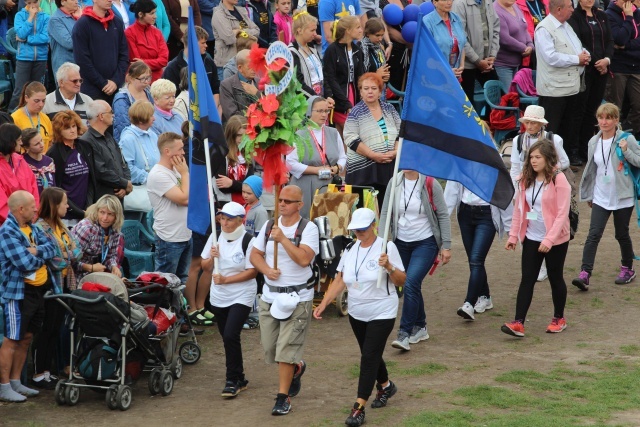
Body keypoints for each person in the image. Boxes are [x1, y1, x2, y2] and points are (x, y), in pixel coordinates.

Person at [314, 208, 405, 427]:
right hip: (357, 311)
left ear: (374, 225)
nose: (359, 233)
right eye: (356, 230)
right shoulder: (350, 248)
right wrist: (324, 303)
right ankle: (385, 385)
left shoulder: (387, 247)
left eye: (363, 229)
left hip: (382, 310)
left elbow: (401, 281)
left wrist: (390, 267)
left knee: (368, 358)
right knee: (370, 353)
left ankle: (358, 407)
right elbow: (340, 280)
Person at [249, 185, 319, 416]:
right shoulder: (269, 225)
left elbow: (303, 259)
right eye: (281, 200)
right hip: (270, 295)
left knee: (286, 350)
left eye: (288, 201)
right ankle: (296, 367)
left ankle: (283, 396)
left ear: (300, 205)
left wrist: (284, 240)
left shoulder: (308, 229)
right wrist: (267, 270)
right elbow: (255, 255)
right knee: (271, 349)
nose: (282, 204)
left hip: (298, 297)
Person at [502, 139, 571, 337]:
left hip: (556, 239)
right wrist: (513, 235)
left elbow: (562, 214)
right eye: (531, 157)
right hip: (531, 236)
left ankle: (559, 318)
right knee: (527, 278)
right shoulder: (525, 179)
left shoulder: (559, 180)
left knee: (555, 277)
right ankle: (518, 322)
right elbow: (519, 209)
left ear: (548, 158)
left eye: (538, 157)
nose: (533, 161)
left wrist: (549, 240)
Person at [379, 170, 451, 350]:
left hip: (426, 243)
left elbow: (443, 214)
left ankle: (404, 333)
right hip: (401, 243)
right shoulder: (394, 182)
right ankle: (420, 326)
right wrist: (381, 243)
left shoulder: (430, 183)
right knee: (411, 284)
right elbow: (386, 212)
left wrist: (446, 245)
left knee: (410, 283)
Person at [572, 103, 640, 290]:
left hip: (623, 196)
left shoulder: (627, 138)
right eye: (601, 118)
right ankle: (585, 274)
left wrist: (626, 151)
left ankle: (627, 267)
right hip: (601, 196)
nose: (604, 121)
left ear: (616, 120)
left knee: (621, 234)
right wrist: (590, 194)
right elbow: (593, 170)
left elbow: (639, 160)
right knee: (593, 234)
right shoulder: (593, 142)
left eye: (608, 118)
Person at [0, 191, 56, 403]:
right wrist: (40, 256)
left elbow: (54, 248)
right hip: (18, 293)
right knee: (12, 340)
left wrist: (36, 250)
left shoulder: (32, 227)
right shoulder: (7, 233)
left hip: (37, 292)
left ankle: (16, 382)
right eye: (32, 205)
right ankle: (4, 386)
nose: (36, 209)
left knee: (26, 338)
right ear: (20, 209)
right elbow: (25, 263)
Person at [201, 201, 257, 398]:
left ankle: (231, 379)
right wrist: (211, 257)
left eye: (229, 219)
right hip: (219, 296)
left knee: (231, 335)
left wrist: (227, 279)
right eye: (222, 218)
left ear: (240, 221)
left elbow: (252, 272)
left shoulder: (249, 240)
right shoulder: (215, 237)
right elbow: (205, 267)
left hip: (242, 294)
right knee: (228, 337)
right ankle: (239, 377)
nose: (224, 223)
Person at [510, 105, 570, 282]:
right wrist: (518, 187)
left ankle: (545, 265)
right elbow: (514, 165)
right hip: (526, 187)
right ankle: (534, 264)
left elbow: (565, 161)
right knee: (525, 223)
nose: (529, 126)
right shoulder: (518, 140)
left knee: (550, 219)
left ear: (541, 124)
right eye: (527, 122)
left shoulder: (554, 139)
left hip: (548, 186)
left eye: (533, 122)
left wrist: (547, 172)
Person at [31, 187, 80, 389]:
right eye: (64, 202)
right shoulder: (40, 228)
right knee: (46, 330)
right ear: (54, 205)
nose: (68, 206)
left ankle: (48, 372)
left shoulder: (61, 226)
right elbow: (54, 261)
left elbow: (78, 251)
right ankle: (38, 373)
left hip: (65, 285)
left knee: (56, 328)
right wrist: (69, 256)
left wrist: (67, 256)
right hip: (50, 287)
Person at [444, 181, 512, 321]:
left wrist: (511, 230)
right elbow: (451, 192)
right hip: (465, 213)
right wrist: (442, 220)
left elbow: (503, 194)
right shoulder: (462, 162)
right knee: (474, 261)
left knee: (476, 259)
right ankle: (485, 296)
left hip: (486, 215)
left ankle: (469, 303)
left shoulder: (493, 162)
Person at [534, 0, 590, 166]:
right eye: (569, 7)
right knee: (552, 128)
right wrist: (576, 59)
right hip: (553, 89)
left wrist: (585, 55)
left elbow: (577, 47)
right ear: (559, 9)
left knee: (569, 126)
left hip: (571, 86)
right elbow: (550, 57)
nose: (573, 10)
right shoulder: (544, 29)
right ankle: (547, 161)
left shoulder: (566, 26)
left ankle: (563, 160)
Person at [344, 73, 400, 206]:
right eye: (366, 88)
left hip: (388, 169)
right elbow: (350, 138)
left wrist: (396, 151)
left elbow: (401, 132)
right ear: (361, 92)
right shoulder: (355, 113)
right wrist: (373, 155)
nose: (370, 91)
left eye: (374, 88)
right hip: (364, 173)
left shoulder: (389, 109)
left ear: (380, 91)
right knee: (366, 214)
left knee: (386, 211)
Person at [287, 96, 346, 218]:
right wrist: (316, 170)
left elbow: (342, 157)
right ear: (309, 112)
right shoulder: (299, 134)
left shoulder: (333, 133)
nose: (324, 115)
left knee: (329, 220)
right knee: (307, 218)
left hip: (328, 184)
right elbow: (290, 163)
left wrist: (336, 168)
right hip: (306, 185)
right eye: (319, 111)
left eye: (326, 111)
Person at [568, 0, 612, 161]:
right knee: (579, 110)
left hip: (603, 70)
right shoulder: (574, 17)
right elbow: (579, 42)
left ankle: (587, 148)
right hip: (585, 70)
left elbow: (610, 41)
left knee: (593, 111)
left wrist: (606, 60)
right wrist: (596, 62)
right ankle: (574, 150)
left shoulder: (602, 15)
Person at [146, 132, 192, 286]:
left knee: (182, 280)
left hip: (185, 234)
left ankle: (178, 311)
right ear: (167, 151)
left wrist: (183, 173)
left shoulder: (177, 170)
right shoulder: (158, 174)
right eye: (180, 149)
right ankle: (162, 311)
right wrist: (185, 173)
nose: (183, 153)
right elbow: (185, 199)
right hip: (169, 238)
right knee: (165, 284)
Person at [72, 0, 129, 104]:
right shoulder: (82, 24)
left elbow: (124, 54)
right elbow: (82, 60)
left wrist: (116, 80)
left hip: (116, 88)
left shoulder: (117, 22)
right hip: (92, 89)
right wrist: (102, 83)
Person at [46, 110, 94, 224]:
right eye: (67, 128)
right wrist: (79, 212)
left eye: (74, 126)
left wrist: (89, 208)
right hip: (65, 215)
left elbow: (91, 180)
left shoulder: (85, 146)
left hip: (87, 209)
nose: (72, 130)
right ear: (59, 131)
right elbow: (56, 187)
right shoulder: (54, 153)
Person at [80, 100, 132, 202]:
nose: (113, 115)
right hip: (102, 201)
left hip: (118, 198)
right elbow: (100, 171)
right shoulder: (87, 141)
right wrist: (124, 183)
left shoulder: (109, 137)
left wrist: (125, 184)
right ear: (101, 116)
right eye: (110, 112)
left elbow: (123, 163)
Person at [323, 15, 365, 136]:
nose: (361, 30)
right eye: (357, 27)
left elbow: (360, 75)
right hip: (340, 97)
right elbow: (330, 78)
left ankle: (347, 155)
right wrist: (345, 103)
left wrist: (362, 93)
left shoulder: (357, 50)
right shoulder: (332, 50)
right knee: (347, 134)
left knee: (351, 134)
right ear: (348, 30)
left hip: (355, 96)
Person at [162, 25, 220, 111]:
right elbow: (170, 96)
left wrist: (212, 111)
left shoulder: (209, 63)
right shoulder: (172, 68)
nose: (206, 46)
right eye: (203, 43)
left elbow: (215, 90)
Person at [452, 0, 500, 102]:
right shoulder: (459, 4)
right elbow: (460, 37)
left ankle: (490, 118)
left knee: (498, 99)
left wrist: (493, 55)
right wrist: (477, 61)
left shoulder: (487, 2)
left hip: (487, 61)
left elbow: (496, 28)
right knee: (468, 104)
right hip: (467, 64)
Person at [605, 0, 640, 137]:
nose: (628, 3)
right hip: (618, 67)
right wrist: (629, 17)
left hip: (636, 67)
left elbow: (623, 44)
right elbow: (619, 39)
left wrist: (626, 47)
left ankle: (634, 135)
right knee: (615, 106)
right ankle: (612, 136)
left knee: (638, 106)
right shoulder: (609, 15)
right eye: (625, 0)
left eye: (630, 1)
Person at [70, 194, 125, 281]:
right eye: (102, 212)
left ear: (116, 216)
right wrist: (90, 268)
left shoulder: (115, 231)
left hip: (97, 275)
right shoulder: (87, 229)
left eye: (110, 214)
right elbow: (70, 260)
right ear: (97, 211)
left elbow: (110, 256)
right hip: (77, 276)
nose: (105, 218)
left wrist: (114, 266)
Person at [8, 0, 50, 112]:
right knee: (20, 90)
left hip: (41, 58)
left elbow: (46, 37)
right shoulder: (20, 15)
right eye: (29, 2)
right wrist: (30, 18)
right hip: (24, 57)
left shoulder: (46, 17)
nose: (32, 5)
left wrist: (27, 39)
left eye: (35, 2)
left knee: (36, 89)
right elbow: (20, 33)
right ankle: (12, 115)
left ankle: (34, 113)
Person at [0, 125, 39, 225]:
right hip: (6, 226)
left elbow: (33, 187)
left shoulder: (20, 160)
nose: (21, 143)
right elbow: (1, 204)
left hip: (28, 222)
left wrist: (33, 213)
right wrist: (18, 222)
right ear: (10, 141)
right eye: (19, 140)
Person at [211, 0, 260, 81]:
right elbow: (229, 38)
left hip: (244, 63)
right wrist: (247, 32)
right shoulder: (218, 14)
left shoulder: (241, 10)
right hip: (227, 66)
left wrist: (238, 31)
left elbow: (257, 31)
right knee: (230, 92)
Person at [494, 0, 535, 90]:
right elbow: (504, 39)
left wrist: (530, 45)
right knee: (508, 97)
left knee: (516, 95)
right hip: (503, 64)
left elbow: (524, 28)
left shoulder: (515, 6)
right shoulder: (496, 10)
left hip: (517, 63)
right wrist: (524, 48)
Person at [289, 11, 331, 99]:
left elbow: (323, 73)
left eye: (315, 30)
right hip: (307, 102)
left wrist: (328, 95)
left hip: (321, 99)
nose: (315, 34)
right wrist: (316, 100)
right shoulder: (292, 52)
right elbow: (298, 84)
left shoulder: (311, 47)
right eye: (312, 30)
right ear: (299, 30)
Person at [124, 0, 169, 82]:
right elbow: (137, 63)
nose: (155, 16)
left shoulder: (157, 32)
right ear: (140, 14)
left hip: (158, 80)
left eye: (155, 13)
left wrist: (144, 61)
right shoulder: (129, 33)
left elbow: (164, 60)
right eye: (151, 13)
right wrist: (154, 62)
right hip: (139, 80)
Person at [424, 0, 467, 82]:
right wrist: (447, 71)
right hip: (437, 78)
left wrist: (462, 65)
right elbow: (427, 54)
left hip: (456, 76)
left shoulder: (456, 17)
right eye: (444, 0)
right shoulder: (427, 21)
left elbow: (463, 43)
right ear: (435, 2)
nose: (449, 2)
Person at [118, 100, 159, 185]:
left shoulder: (152, 134)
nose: (154, 119)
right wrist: (150, 178)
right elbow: (128, 169)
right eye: (151, 116)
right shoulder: (128, 139)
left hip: (157, 184)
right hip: (141, 189)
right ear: (141, 120)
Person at [112, 61, 155, 142]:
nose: (146, 82)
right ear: (131, 79)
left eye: (148, 78)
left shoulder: (148, 92)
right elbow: (123, 125)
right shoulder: (122, 98)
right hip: (131, 141)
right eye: (143, 79)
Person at [11, 82, 53, 152]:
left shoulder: (45, 118)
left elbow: (50, 143)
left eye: (43, 101)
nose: (41, 104)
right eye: (36, 101)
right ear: (26, 98)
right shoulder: (15, 118)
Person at [220, 50, 260, 122]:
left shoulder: (260, 82)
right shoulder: (226, 85)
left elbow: (269, 107)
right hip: (239, 130)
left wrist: (257, 93)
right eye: (250, 66)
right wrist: (257, 114)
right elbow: (232, 116)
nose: (254, 69)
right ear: (240, 68)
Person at [48, 0, 82, 79]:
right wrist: (80, 20)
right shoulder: (55, 20)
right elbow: (69, 43)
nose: (76, 1)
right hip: (66, 69)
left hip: (81, 65)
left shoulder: (77, 16)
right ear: (62, 2)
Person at [21, 128, 55, 195]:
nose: (42, 145)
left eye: (41, 140)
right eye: (37, 144)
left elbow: (54, 184)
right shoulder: (22, 162)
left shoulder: (49, 161)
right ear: (27, 147)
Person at [361, 18, 390, 89]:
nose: (380, 39)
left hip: (380, 87)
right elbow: (360, 74)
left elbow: (382, 66)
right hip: (368, 89)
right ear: (368, 34)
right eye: (377, 35)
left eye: (382, 35)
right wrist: (376, 75)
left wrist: (385, 77)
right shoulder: (361, 48)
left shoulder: (379, 47)